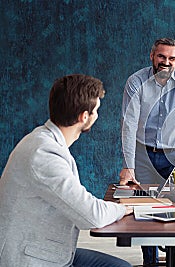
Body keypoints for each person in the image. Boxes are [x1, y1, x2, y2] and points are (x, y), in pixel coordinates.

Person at [0, 74, 133, 267]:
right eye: (96, 110)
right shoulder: (44, 154)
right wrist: (124, 209)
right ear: (84, 117)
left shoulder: (42, 139)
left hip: (45, 249)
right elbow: (92, 215)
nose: (97, 116)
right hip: (28, 259)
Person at [119, 37, 175, 265]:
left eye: (172, 58)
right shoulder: (136, 81)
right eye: (161, 56)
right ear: (152, 56)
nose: (166, 62)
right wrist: (129, 166)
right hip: (143, 155)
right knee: (144, 212)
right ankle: (150, 262)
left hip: (174, 155)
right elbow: (128, 124)